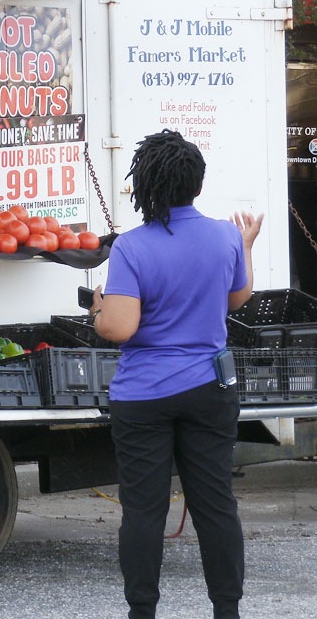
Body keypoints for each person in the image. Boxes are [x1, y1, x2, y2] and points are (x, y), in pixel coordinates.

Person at [89, 130, 262, 619]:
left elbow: (122, 327)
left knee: (144, 511)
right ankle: (226, 611)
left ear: (143, 186)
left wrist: (100, 310)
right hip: (209, 390)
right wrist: (246, 246)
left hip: (144, 396)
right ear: (197, 186)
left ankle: (142, 612)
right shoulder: (226, 235)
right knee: (215, 505)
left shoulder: (131, 248)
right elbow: (235, 298)